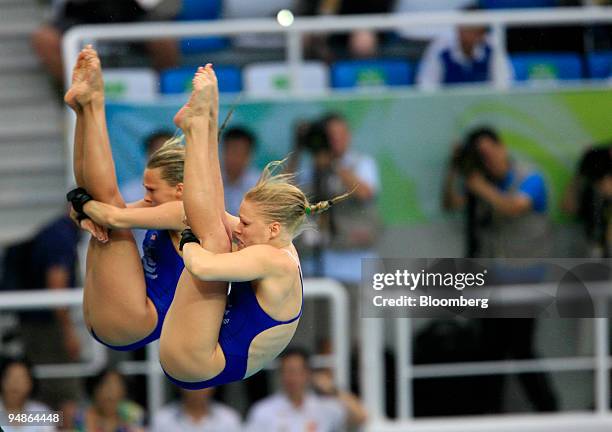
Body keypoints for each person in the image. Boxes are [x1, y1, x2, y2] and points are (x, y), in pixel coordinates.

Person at [158, 65, 352, 389]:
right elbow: (215, 212)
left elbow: (202, 266)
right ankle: (203, 125)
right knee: (215, 225)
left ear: (273, 229)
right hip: (211, 352)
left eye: (246, 222)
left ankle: (197, 130)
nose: (240, 228)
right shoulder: (276, 245)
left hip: (201, 363)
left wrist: (187, 239)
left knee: (213, 241)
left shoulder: (273, 260)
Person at [64, 45, 185, 351]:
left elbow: (113, 215)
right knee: (99, 198)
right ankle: (83, 110)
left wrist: (85, 208)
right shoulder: (160, 204)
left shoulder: (186, 213)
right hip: (119, 313)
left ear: (180, 189)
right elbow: (95, 208)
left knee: (108, 204)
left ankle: (95, 105)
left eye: (151, 190)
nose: (145, 197)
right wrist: (83, 209)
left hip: (138, 319)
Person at [441, 126, 558, 413]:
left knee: (520, 349)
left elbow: (512, 207)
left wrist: (478, 185)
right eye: (480, 156)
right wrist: (456, 169)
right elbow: (450, 203)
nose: (487, 160)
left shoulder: (529, 177)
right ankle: (489, 414)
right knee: (489, 350)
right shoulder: (480, 184)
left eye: (488, 152)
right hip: (491, 281)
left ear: (502, 147)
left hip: (524, 279)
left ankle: (549, 410)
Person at [31, 0, 180, 85]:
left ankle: (160, 92)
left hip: (129, 13)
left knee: (164, 39)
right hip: (79, 15)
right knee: (45, 39)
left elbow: (156, 4)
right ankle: (79, 97)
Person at [245, 347, 367, 431]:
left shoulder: (322, 407)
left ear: (307, 373)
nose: (292, 378)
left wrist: (331, 389)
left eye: (296, 371)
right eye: (287, 371)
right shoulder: (263, 411)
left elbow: (361, 416)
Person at [416, 6, 513, 91]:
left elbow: (505, 82)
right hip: (447, 106)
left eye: (474, 29)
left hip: (483, 106)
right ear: (458, 28)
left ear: (482, 32)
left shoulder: (492, 47)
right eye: (466, 28)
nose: (467, 33)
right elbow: (426, 86)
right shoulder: (441, 47)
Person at [70, 368, 144, 432]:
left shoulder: (133, 414)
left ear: (123, 393)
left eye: (115, 387)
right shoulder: (79, 416)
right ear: (95, 390)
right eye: (105, 386)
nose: (110, 394)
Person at [0, 357, 56, 432]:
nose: (15, 384)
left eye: (20, 378)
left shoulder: (42, 412)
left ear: (31, 383)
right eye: (10, 377)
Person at [150, 387, 241, 432]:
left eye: (204, 383)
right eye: (192, 383)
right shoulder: (163, 419)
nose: (198, 389)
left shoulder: (229, 418)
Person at [221, 127, 260, 216]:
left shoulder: (259, 184)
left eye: (240, 153)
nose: (235, 158)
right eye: (232, 151)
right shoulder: (209, 179)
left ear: (249, 155)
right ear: (223, 151)